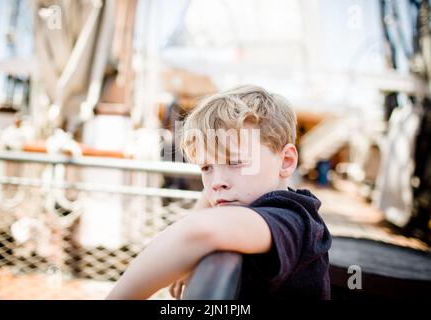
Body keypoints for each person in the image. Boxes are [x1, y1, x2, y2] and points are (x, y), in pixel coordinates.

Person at [106, 85, 332, 300]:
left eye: (234, 162)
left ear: (285, 162)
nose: (216, 183)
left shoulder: (292, 220)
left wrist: (184, 257)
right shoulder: (245, 196)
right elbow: (215, 193)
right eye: (206, 168)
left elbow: (201, 231)